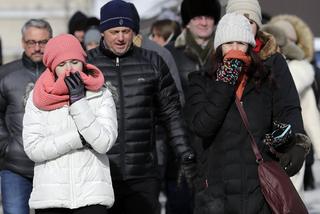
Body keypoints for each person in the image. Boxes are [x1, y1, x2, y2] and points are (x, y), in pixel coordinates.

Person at [186, 12, 310, 214]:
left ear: (250, 47)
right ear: (218, 48)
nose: (235, 50)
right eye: (229, 44)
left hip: (260, 191)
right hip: (218, 194)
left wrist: (290, 143)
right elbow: (202, 126)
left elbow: (285, 115)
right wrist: (226, 80)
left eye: (241, 43)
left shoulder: (264, 80)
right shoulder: (200, 82)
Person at [87, 1, 196, 214]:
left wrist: (184, 153)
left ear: (134, 32)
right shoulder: (87, 65)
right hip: (100, 172)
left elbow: (172, 113)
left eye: (126, 31)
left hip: (143, 173)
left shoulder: (153, 63)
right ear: (103, 33)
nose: (120, 37)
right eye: (114, 31)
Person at [22, 34, 118, 214]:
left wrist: (78, 101)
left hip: (92, 195)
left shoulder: (101, 94)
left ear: (83, 62)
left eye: (74, 62)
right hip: (51, 198)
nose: (69, 70)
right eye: (61, 64)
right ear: (52, 68)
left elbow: (103, 142)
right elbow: (33, 148)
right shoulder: (37, 98)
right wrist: (78, 138)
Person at [165, 0, 221, 213]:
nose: (204, 22)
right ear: (187, 22)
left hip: (216, 145)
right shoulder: (170, 53)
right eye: (197, 17)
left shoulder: (225, 50)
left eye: (208, 17)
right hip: (181, 146)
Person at [0, 19, 52, 214]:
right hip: (15, 166)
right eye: (31, 42)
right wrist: (6, 146)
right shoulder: (5, 74)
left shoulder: (61, 73)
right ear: (23, 42)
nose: (37, 48)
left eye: (43, 42)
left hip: (53, 167)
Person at [264, 15, 320, 196]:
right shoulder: (260, 67)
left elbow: (311, 118)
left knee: (289, 199)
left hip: (290, 145)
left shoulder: (295, 71)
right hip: (265, 149)